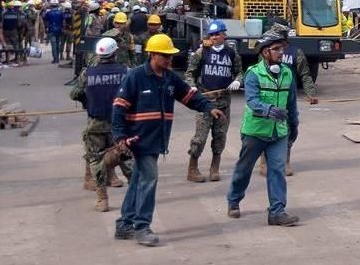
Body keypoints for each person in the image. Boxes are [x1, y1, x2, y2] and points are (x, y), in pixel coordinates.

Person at [111, 33, 224, 246]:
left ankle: (125, 224)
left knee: (138, 181)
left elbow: (189, 96)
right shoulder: (135, 77)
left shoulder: (170, 78)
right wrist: (120, 136)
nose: (169, 60)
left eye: (170, 56)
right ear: (153, 55)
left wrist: (208, 107)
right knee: (149, 179)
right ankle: (142, 227)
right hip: (138, 140)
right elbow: (119, 108)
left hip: (157, 140)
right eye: (165, 56)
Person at [226, 28, 300, 226]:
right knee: (244, 169)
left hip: (278, 132)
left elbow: (291, 102)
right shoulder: (253, 74)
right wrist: (268, 110)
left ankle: (277, 212)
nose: (281, 53)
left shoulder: (287, 74)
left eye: (282, 49)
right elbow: (251, 100)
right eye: (276, 49)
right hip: (255, 131)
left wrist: (294, 124)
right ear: (265, 52)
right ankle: (233, 200)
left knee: (277, 170)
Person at [70, 37, 132, 212]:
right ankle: (135, 197)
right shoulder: (125, 71)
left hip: (95, 123)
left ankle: (102, 199)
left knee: (96, 159)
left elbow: (74, 94)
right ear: (115, 53)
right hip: (119, 124)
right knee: (126, 158)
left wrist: (88, 100)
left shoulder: (88, 73)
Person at [185, 20, 243, 183]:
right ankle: (192, 168)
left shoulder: (232, 54)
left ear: (224, 35)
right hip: (205, 101)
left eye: (217, 34)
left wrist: (237, 81)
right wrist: (192, 87)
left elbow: (240, 72)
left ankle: (214, 167)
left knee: (220, 136)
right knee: (200, 137)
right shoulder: (202, 52)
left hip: (224, 101)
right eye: (211, 35)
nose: (214, 37)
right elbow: (190, 73)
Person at [272, 20, 318, 177]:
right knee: (270, 129)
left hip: (289, 97)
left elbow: (304, 74)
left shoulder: (295, 52)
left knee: (292, 127)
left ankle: (285, 158)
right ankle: (271, 160)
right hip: (271, 96)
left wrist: (310, 93)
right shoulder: (267, 52)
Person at [43, 0, 66, 64]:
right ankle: (58, 58)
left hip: (51, 30)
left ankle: (55, 59)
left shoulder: (48, 13)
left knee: (53, 45)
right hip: (59, 30)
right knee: (58, 44)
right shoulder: (61, 13)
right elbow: (64, 22)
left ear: (51, 5)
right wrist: (62, 28)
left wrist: (46, 29)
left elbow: (46, 22)